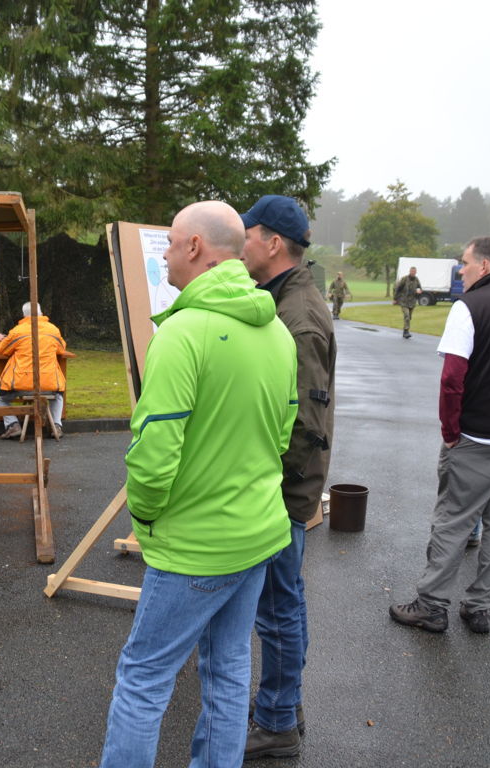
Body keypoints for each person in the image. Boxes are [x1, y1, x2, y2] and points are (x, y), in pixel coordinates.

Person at [99, 201, 297, 768]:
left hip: (195, 545)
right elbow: (280, 436)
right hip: (257, 534)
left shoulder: (183, 333)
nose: (164, 253)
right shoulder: (276, 332)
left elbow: (154, 452)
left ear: (194, 248)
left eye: (171, 242)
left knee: (143, 678)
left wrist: (148, 517)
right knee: (230, 671)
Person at [389, 236, 490, 635]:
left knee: (453, 520)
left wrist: (450, 430)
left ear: (486, 266)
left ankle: (431, 604)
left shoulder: (469, 307)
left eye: (465, 263)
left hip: (478, 435)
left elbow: (453, 377)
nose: (461, 270)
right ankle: (479, 607)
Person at [239, 194, 335, 759]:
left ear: (273, 242)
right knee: (283, 602)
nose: (241, 243)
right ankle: (285, 701)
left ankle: (276, 721)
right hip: (286, 489)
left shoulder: (294, 316)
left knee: (277, 608)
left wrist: (272, 492)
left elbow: (305, 421)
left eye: (248, 234)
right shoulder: (281, 297)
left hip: (281, 493)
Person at [0, 301, 68, 441]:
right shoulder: (53, 330)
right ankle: (56, 426)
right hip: (49, 384)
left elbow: (2, 349)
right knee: (58, 395)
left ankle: (13, 425)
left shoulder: (17, 331)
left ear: (24, 315)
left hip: (22, 384)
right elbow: (61, 347)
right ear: (41, 312)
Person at [393, 266, 423, 338]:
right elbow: (398, 288)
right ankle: (406, 331)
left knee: (409, 317)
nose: (413, 273)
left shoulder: (416, 280)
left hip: (412, 302)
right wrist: (395, 299)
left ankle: (405, 331)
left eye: (414, 272)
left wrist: (419, 292)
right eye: (412, 271)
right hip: (404, 301)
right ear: (410, 271)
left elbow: (419, 288)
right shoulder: (405, 279)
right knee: (406, 315)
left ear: (415, 272)